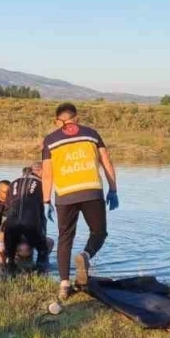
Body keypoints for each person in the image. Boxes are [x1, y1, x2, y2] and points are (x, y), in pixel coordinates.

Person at [41, 102, 118, 301]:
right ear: (77, 118)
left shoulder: (50, 141)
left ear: (58, 120)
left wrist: (46, 201)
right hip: (92, 191)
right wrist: (113, 189)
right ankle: (85, 255)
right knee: (99, 232)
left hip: (65, 195)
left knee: (64, 238)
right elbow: (107, 162)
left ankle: (64, 286)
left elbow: (47, 174)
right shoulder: (92, 134)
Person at [3, 163, 53, 274]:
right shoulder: (42, 183)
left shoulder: (13, 183)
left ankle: (7, 276)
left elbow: (7, 208)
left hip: (11, 222)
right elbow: (43, 210)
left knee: (9, 255)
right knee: (43, 249)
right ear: (40, 171)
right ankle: (41, 274)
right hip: (30, 221)